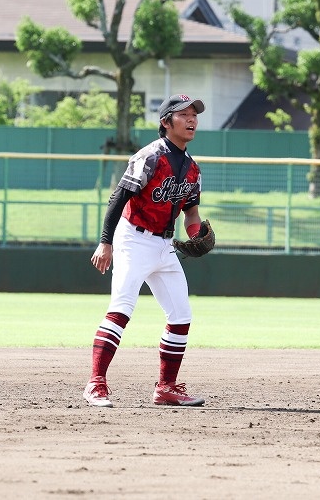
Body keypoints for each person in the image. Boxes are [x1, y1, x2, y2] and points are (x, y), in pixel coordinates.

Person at [84, 94, 208, 408]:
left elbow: (191, 213)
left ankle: (166, 388)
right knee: (122, 309)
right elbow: (118, 197)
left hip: (165, 245)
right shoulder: (150, 156)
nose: (191, 120)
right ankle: (95, 384)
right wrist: (105, 242)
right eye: (184, 114)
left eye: (194, 115)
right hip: (134, 239)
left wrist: (197, 235)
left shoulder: (193, 169)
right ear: (166, 122)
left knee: (181, 315)